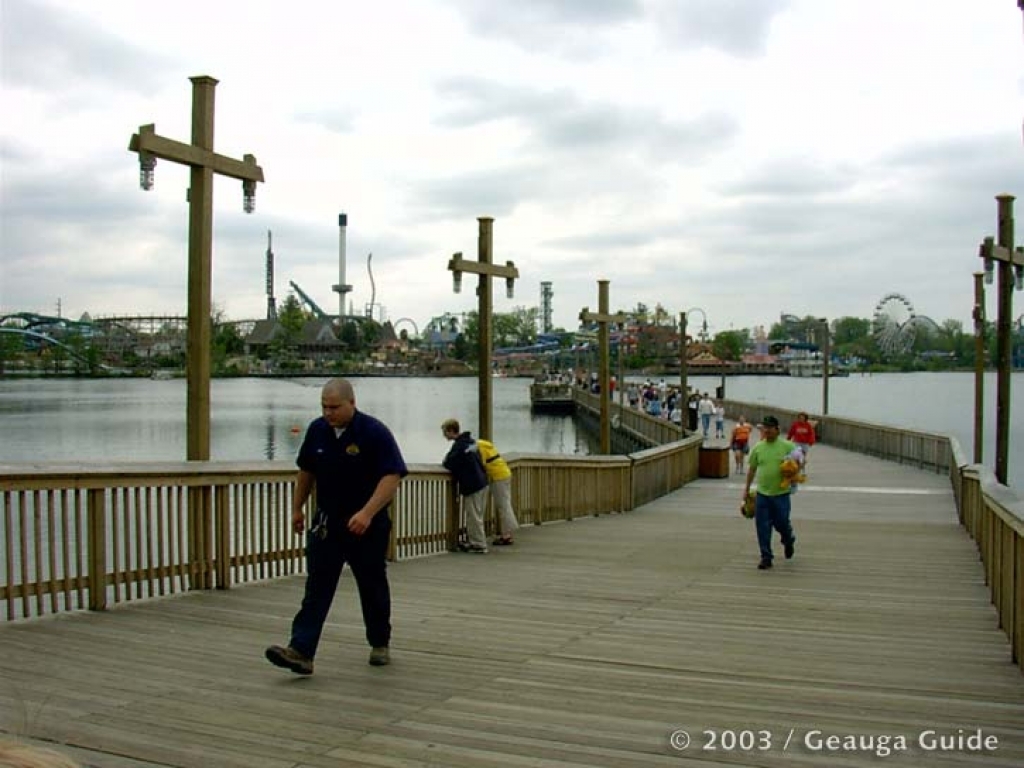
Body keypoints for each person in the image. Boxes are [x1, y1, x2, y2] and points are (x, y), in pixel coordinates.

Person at [266, 378, 408, 675]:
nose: (329, 413)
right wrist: (297, 508)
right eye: (324, 407)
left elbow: (392, 476)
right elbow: (306, 470)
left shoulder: (374, 432)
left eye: (334, 407)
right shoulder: (317, 430)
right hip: (327, 523)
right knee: (317, 586)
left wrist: (368, 512)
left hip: (365, 525)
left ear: (352, 403)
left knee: (371, 585)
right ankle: (301, 651)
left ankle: (379, 642)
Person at [742, 415, 797, 570]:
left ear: (777, 429)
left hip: (781, 494)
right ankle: (766, 556)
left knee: (781, 522)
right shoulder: (758, 447)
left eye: (769, 428)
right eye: (764, 428)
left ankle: (788, 539)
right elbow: (752, 469)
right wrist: (746, 490)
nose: (766, 431)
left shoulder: (787, 446)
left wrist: (794, 468)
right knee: (762, 526)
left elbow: (800, 461)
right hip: (762, 494)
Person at [441, 418, 490, 553]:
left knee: (473, 515)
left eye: (445, 432)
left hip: (473, 484)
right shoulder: (470, 442)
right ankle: (475, 541)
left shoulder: (460, 446)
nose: (444, 435)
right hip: (483, 482)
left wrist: (446, 460)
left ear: (451, 431)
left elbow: (449, 462)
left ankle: (479, 545)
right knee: (477, 514)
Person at [476, 436, 520, 545]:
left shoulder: (479, 448)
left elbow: (481, 464)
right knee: (505, 504)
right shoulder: (485, 445)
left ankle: (507, 535)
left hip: (498, 476)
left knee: (503, 505)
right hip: (504, 473)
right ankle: (507, 533)